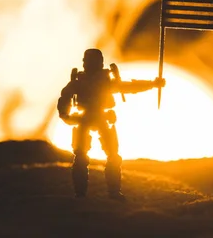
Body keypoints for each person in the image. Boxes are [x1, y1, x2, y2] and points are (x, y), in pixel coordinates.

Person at [57, 48, 165, 201]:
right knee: (81, 157)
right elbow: (65, 97)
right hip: (85, 118)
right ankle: (81, 194)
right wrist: (66, 115)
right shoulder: (79, 82)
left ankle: (113, 192)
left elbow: (127, 87)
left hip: (101, 118)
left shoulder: (103, 81)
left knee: (112, 156)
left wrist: (153, 84)